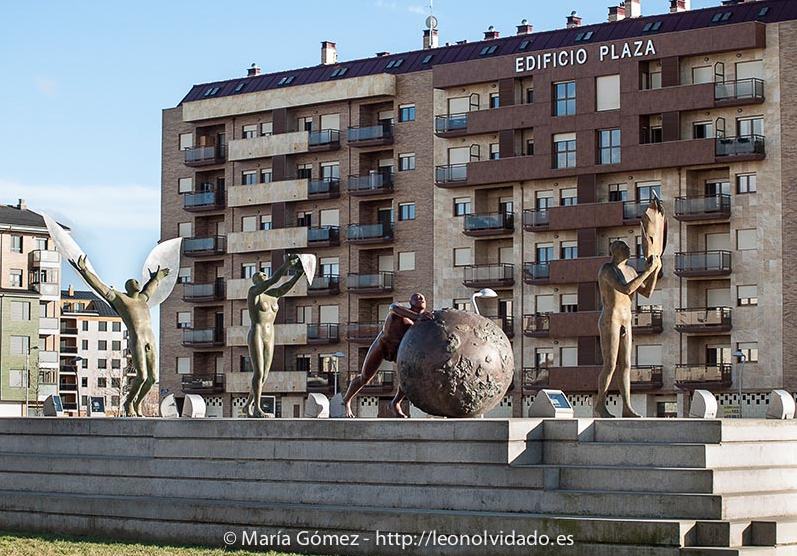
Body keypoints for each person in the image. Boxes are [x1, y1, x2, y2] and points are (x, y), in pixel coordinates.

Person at [72, 255, 169, 416]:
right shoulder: (121, 299)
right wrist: (84, 270)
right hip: (137, 337)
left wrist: (157, 278)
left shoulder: (143, 300)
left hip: (150, 338)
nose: (136, 282)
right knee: (142, 375)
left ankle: (137, 404)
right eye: (133, 281)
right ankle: (128, 403)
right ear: (128, 287)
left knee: (153, 378)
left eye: (137, 281)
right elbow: (100, 287)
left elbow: (151, 287)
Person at [594, 241, 660, 418]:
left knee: (626, 364)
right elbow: (626, 288)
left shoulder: (631, 270)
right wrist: (647, 271)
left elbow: (647, 293)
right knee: (610, 364)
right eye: (625, 247)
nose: (629, 249)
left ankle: (627, 407)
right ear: (615, 251)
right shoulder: (607, 269)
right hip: (611, 319)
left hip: (626, 319)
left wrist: (653, 272)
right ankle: (600, 405)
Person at [343, 293, 432, 418]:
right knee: (365, 377)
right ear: (410, 302)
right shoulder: (401, 311)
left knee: (406, 377)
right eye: (416, 297)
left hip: (398, 351)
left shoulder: (421, 321)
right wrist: (417, 316)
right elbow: (393, 307)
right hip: (382, 345)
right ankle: (347, 400)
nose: (420, 298)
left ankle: (395, 403)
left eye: (423, 297)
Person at [243, 254, 306, 418]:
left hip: (270, 335)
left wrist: (299, 274)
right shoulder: (254, 293)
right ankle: (257, 408)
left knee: (264, 375)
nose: (263, 276)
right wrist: (285, 265)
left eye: (264, 274)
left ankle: (247, 405)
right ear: (255, 281)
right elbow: (273, 280)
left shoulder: (273, 295)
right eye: (259, 275)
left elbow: (286, 286)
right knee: (258, 372)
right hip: (257, 332)